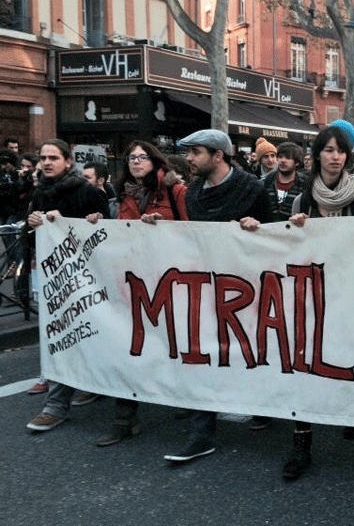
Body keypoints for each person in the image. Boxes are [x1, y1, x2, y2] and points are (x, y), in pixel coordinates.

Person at [162, 129, 274, 463]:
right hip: (207, 288)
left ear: (218, 155)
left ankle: (266, 404)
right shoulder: (194, 192)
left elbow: (274, 238)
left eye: (196, 152)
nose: (190, 159)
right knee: (201, 354)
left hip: (246, 289)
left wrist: (257, 229)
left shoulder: (252, 190)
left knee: (252, 350)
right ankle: (201, 433)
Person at [284, 126, 354, 480]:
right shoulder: (301, 202)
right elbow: (287, 248)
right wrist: (292, 229)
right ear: (317, 155)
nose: (335, 157)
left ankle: (350, 413)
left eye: (341, 151)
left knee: (346, 357)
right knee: (304, 365)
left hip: (348, 294)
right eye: (329, 150)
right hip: (311, 295)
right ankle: (301, 444)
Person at [87, 141, 188, 446]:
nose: (136, 162)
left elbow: (194, 231)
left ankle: (188, 397)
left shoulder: (176, 191)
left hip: (171, 281)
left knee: (174, 341)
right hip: (134, 281)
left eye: (142, 157)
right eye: (131, 157)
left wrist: (162, 229)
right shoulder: (125, 195)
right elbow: (119, 233)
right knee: (130, 346)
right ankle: (124, 419)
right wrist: (98, 222)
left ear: (155, 161)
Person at [25, 140, 110, 432]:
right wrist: (32, 223)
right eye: (43, 158)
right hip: (56, 279)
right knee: (61, 335)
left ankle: (97, 383)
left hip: (88, 277)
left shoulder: (86, 191)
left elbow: (107, 230)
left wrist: (87, 221)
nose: (47, 162)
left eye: (53, 157)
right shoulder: (39, 194)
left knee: (89, 335)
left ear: (68, 162)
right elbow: (30, 237)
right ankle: (56, 406)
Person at [262, 141, 307, 221]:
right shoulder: (266, 182)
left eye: (288, 158)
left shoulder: (305, 183)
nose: (283, 160)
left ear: (296, 162)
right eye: (280, 157)